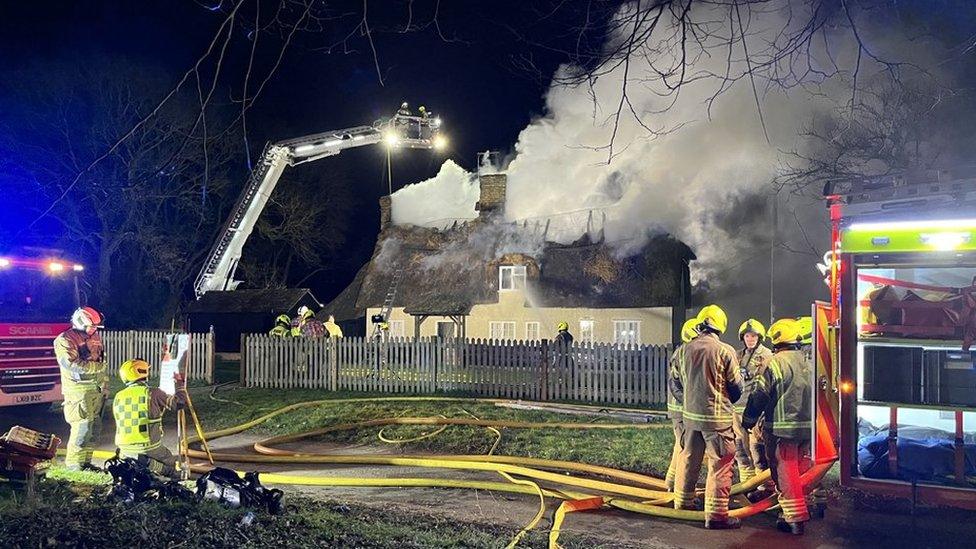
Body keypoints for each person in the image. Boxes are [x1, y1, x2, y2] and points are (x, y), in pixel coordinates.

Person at [670, 304, 744, 529]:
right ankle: (716, 516)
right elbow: (736, 388)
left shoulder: (682, 350)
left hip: (690, 419)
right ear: (720, 327)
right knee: (720, 465)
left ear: (701, 325)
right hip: (718, 420)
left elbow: (675, 384)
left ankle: (683, 504)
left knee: (689, 459)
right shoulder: (725, 351)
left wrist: (690, 402)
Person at [742, 318, 813, 535]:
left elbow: (759, 395)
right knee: (801, 467)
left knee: (785, 468)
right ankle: (802, 506)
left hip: (782, 428)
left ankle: (793, 518)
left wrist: (749, 419)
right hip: (809, 427)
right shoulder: (808, 361)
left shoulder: (774, 362)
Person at [113, 358, 187, 479]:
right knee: (169, 459)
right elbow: (179, 404)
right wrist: (180, 386)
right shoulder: (152, 393)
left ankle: (138, 462)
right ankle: (151, 465)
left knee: (142, 457)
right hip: (147, 445)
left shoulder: (118, 396)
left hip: (123, 446)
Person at [53, 307, 107, 471]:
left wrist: (105, 384)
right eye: (92, 326)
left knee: (94, 428)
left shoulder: (95, 336)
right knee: (82, 427)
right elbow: (70, 363)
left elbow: (102, 361)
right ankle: (74, 465)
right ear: (80, 321)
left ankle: (85, 462)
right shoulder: (64, 339)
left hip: (95, 390)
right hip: (78, 392)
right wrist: (96, 368)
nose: (94, 330)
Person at [732, 319, 773, 483]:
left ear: (759, 337)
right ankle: (746, 484)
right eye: (747, 336)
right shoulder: (738, 355)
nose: (750, 339)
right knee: (740, 448)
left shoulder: (768, 355)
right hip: (737, 409)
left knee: (758, 448)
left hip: (757, 410)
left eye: (754, 336)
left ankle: (763, 485)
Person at [665, 318, 701, 491]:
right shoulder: (685, 353)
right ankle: (679, 489)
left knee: (679, 446)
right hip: (681, 410)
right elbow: (679, 386)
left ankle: (671, 483)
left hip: (678, 409)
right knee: (684, 448)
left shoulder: (683, 352)